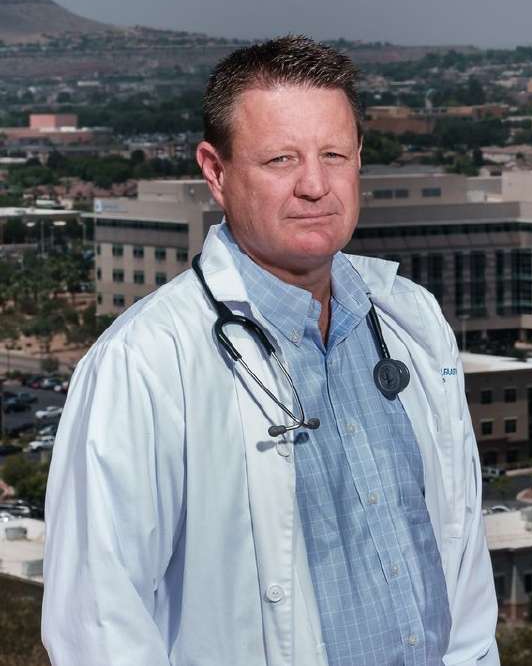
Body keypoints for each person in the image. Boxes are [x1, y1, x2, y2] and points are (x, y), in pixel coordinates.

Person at [41, 36, 498, 666]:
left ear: (360, 157)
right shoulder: (145, 360)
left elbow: (464, 567)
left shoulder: (411, 321)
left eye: (334, 154)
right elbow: (100, 626)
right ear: (216, 171)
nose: (315, 185)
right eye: (281, 159)